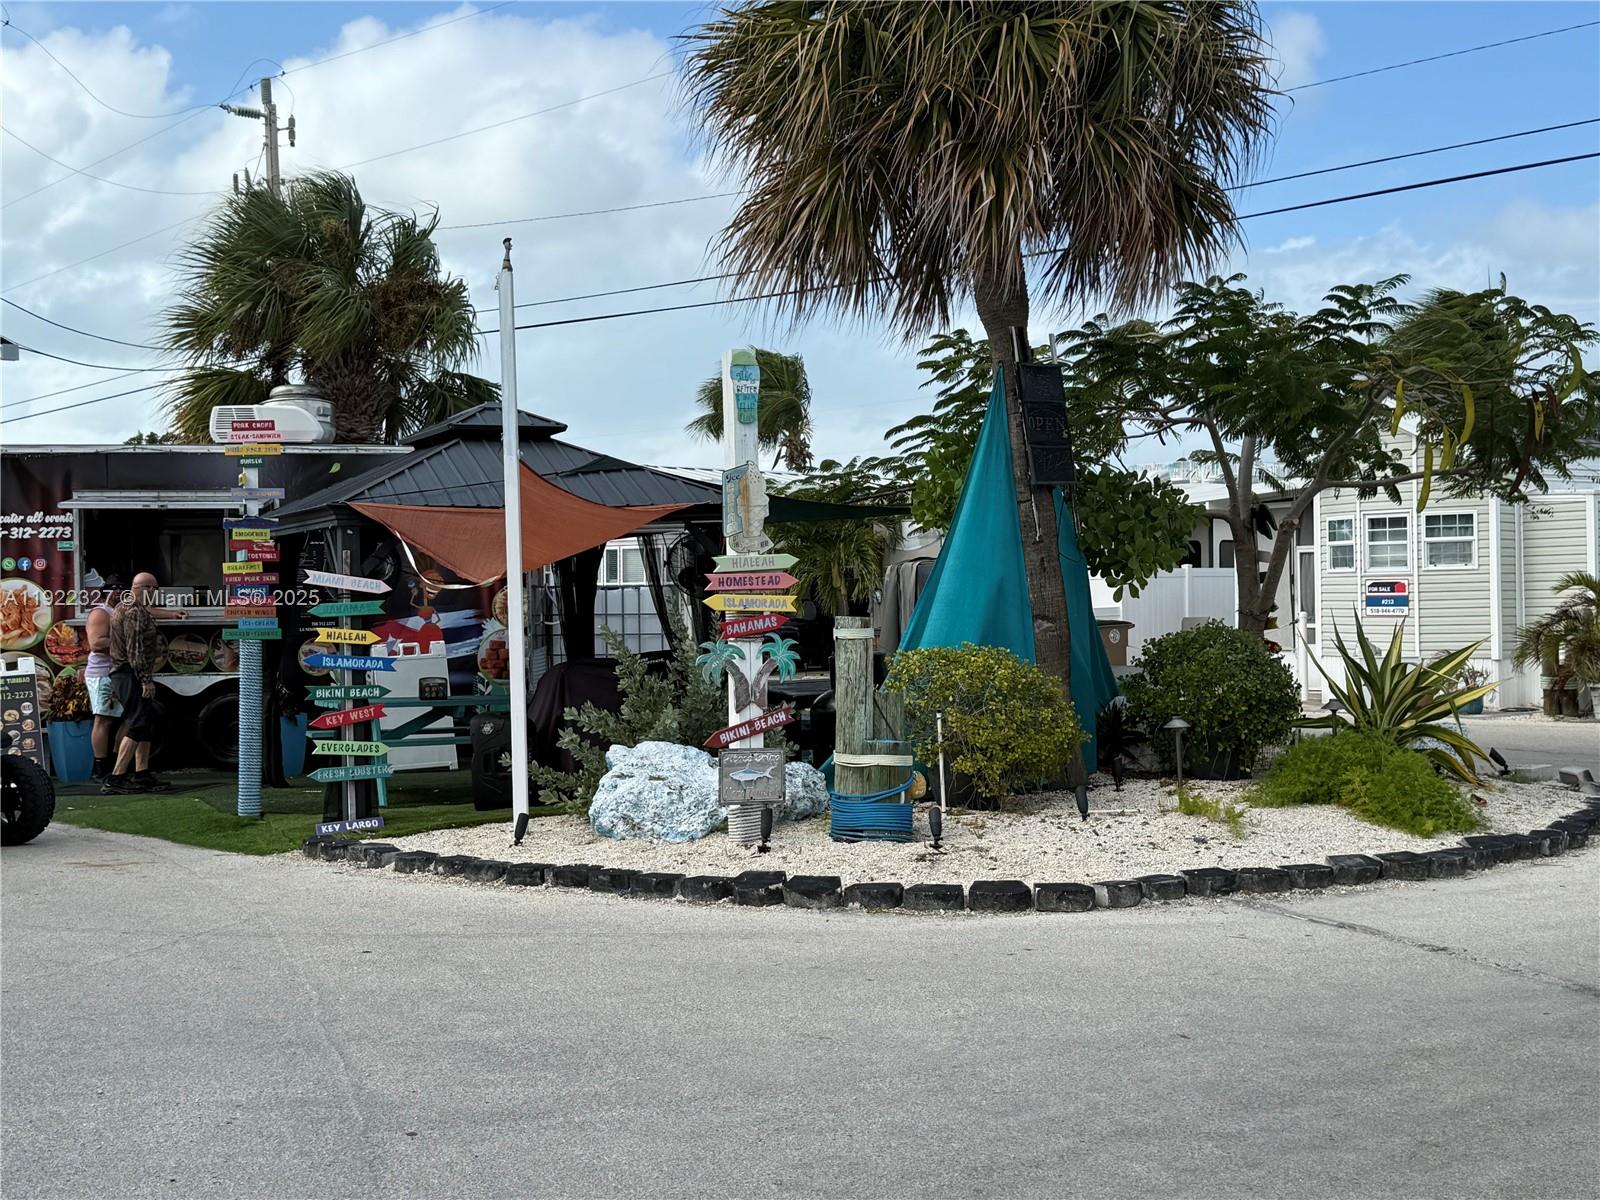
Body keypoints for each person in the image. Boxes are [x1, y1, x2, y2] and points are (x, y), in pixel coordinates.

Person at [102, 573, 168, 794]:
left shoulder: (129, 606)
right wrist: (146, 679)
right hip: (129, 673)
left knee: (145, 722)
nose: (156, 593)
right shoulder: (134, 611)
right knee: (137, 722)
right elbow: (135, 649)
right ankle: (116, 777)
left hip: (126, 673)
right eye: (154, 589)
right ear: (144, 588)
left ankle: (142, 773)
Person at [83, 575, 125, 780]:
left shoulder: (121, 611)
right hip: (102, 674)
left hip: (119, 672)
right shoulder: (100, 613)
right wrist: (128, 641)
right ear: (104, 593)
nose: (118, 593)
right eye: (113, 589)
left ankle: (118, 763)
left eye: (122, 589)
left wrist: (172, 612)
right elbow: (97, 643)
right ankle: (101, 767)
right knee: (104, 719)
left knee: (127, 719)